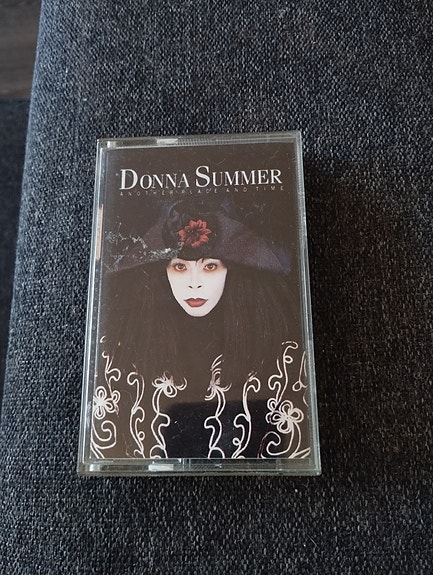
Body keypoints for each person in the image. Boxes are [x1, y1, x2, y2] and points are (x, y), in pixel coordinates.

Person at [91, 199, 310, 459]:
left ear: (230, 269)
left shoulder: (281, 355)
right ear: (164, 271)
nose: (194, 284)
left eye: (210, 266)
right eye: (180, 266)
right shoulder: (120, 354)